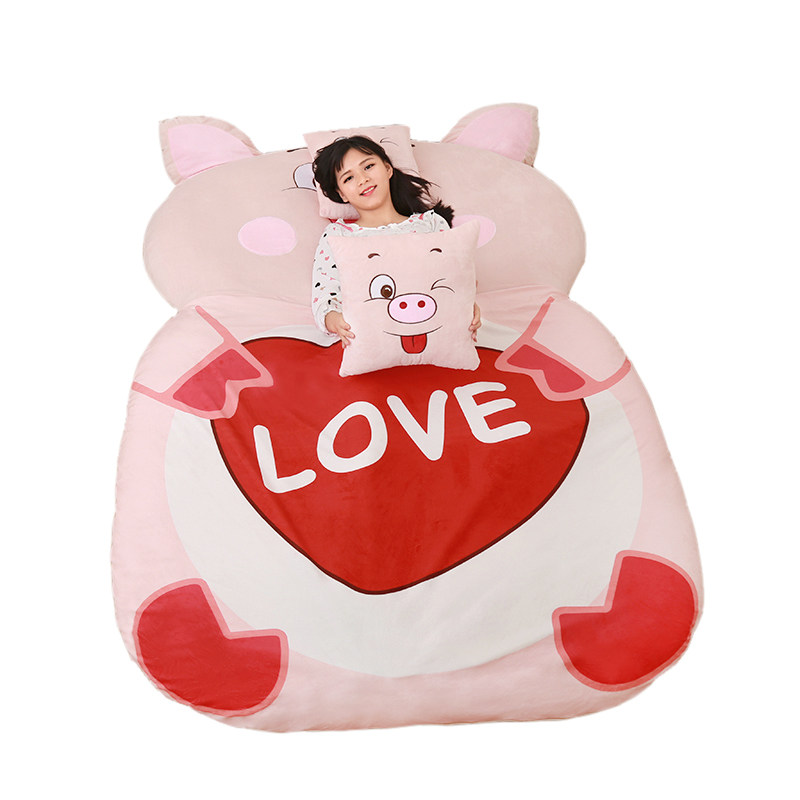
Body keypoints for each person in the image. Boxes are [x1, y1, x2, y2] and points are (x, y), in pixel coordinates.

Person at [311, 136, 481, 346]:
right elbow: (325, 293)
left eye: (368, 166)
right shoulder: (337, 235)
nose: (363, 179)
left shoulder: (431, 223)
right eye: (348, 178)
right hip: (370, 337)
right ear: (341, 194)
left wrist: (468, 306)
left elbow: (455, 279)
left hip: (434, 327)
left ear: (388, 169)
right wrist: (334, 321)